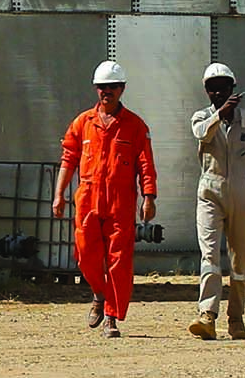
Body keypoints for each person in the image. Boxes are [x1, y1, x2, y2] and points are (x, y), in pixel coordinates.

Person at [51, 59, 158, 338]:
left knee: (119, 260)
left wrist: (149, 197)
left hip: (120, 201)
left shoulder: (135, 126)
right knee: (85, 253)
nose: (105, 92)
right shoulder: (82, 122)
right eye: (101, 87)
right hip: (87, 198)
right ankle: (98, 293)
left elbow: (145, 164)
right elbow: (68, 159)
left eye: (111, 87)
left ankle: (111, 316)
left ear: (122, 89)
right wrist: (59, 194)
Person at [187, 61, 245, 341]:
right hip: (211, 192)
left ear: (232, 88)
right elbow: (202, 134)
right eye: (212, 89)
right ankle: (207, 314)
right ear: (206, 92)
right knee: (209, 256)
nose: (218, 94)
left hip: (242, 196)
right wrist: (219, 115)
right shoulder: (201, 118)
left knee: (240, 259)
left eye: (223, 89)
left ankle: (237, 318)